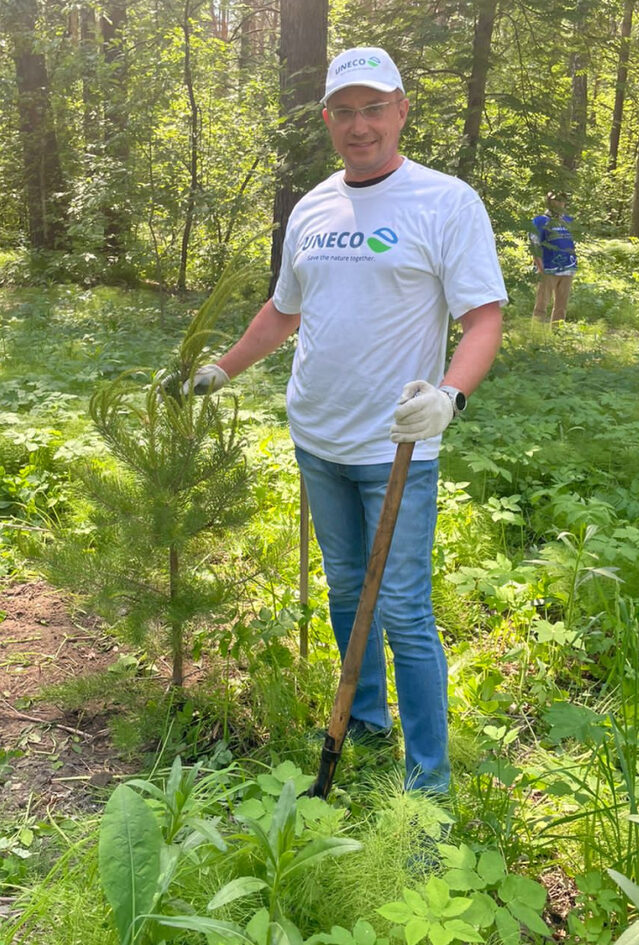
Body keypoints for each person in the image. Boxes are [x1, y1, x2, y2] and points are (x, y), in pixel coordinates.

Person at [188, 47, 506, 792]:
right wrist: (222, 368)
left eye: (373, 108)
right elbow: (282, 310)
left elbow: (484, 318)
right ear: (327, 119)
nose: (359, 126)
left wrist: (449, 397)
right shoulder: (313, 206)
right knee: (342, 589)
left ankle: (428, 782)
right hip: (318, 438)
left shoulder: (445, 201)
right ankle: (363, 721)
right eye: (344, 111)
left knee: (401, 607)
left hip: (395, 446)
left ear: (401, 109)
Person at [532, 192, 578, 321]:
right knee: (541, 305)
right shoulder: (540, 221)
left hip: (568, 268)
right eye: (556, 200)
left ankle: (557, 335)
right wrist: (540, 268)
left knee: (561, 307)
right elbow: (534, 244)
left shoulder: (569, 221)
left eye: (562, 200)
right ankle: (537, 334)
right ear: (549, 201)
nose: (560, 203)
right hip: (548, 268)